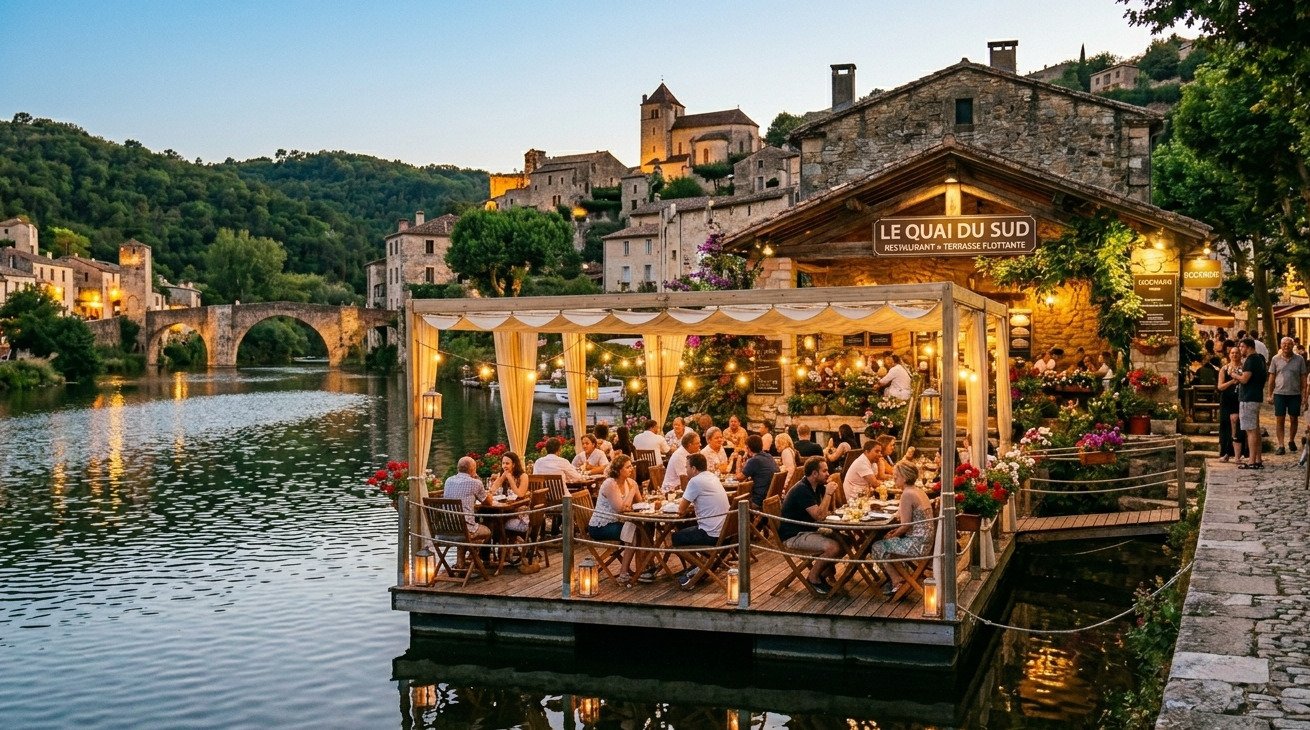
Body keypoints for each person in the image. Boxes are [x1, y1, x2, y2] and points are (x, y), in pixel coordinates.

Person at [869, 460, 934, 598]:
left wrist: (893, 535)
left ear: (904, 478)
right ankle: (900, 575)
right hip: (926, 542)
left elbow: (905, 526)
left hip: (917, 544)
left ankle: (897, 580)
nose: (893, 478)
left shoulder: (907, 494)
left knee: (877, 546)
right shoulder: (918, 491)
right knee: (887, 541)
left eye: (896, 476)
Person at [778, 457, 842, 595]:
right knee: (833, 547)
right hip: (794, 535)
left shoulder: (817, 486)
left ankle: (823, 574)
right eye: (824, 471)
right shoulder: (802, 490)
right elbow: (819, 516)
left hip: (809, 530)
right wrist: (829, 493)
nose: (827, 473)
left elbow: (829, 512)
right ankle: (813, 578)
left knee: (845, 541)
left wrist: (830, 495)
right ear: (814, 473)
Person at [672, 453, 732, 588]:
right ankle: (701, 566)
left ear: (693, 468)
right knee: (686, 528)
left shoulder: (695, 481)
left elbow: (681, 510)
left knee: (674, 539)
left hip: (712, 535)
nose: (685, 469)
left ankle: (700, 567)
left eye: (686, 467)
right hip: (726, 533)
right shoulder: (712, 477)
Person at [588, 454, 643, 586]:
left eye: (631, 466)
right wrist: (632, 491)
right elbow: (621, 509)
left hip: (618, 523)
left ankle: (645, 568)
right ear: (619, 470)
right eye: (628, 467)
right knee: (633, 532)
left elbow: (640, 503)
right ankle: (623, 572)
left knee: (644, 529)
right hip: (601, 526)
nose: (631, 469)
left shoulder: (629, 482)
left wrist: (634, 488)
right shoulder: (610, 484)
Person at [1268, 336, 1307, 455]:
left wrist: (1304, 394)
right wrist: (1270, 394)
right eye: (1284, 344)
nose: (1286, 346)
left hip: (1294, 393)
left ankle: (1291, 440)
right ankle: (1281, 445)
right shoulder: (1275, 359)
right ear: (1281, 345)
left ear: (1292, 346)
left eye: (1289, 344)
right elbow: (1271, 377)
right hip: (1279, 393)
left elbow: (1303, 377)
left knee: (1294, 418)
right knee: (1280, 419)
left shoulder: (1299, 359)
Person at [442, 456, 492, 540]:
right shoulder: (476, 483)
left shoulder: (448, 481)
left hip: (447, 527)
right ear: (473, 469)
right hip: (466, 529)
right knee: (488, 531)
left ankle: (465, 553)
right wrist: (489, 493)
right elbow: (488, 502)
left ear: (458, 468)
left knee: (468, 530)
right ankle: (475, 553)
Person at [1236, 337, 1267, 469]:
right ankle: (1258, 459)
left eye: (1242, 347)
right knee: (1256, 429)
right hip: (1256, 397)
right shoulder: (1260, 359)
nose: (1240, 349)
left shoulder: (1250, 360)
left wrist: (1234, 375)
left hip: (1248, 398)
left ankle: (1252, 461)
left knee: (1251, 430)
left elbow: (1244, 379)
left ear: (1248, 347)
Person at [488, 451, 530, 547]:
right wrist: (501, 478)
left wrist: (510, 479)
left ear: (514, 464)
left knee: (497, 521)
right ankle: (501, 548)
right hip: (507, 509)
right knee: (491, 517)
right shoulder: (503, 474)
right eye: (503, 463)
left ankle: (503, 549)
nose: (504, 466)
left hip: (519, 512)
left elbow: (520, 494)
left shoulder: (523, 476)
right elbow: (492, 490)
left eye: (507, 463)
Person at [1217, 346, 1247, 463]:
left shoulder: (1244, 368)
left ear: (1240, 355)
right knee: (1226, 426)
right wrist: (1232, 381)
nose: (1234, 355)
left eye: (1237, 353)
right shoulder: (1224, 369)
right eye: (1232, 353)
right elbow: (1220, 386)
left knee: (1240, 425)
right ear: (1229, 355)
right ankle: (1225, 452)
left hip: (1240, 399)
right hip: (1227, 399)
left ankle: (1239, 454)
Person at [737, 434, 779, 506]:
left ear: (748, 448)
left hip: (758, 500)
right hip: (771, 498)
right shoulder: (769, 456)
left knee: (734, 501)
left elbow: (739, 477)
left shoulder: (754, 460)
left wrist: (738, 461)